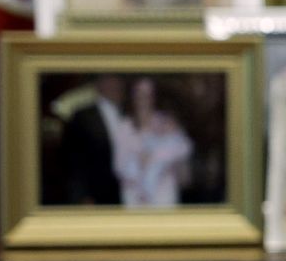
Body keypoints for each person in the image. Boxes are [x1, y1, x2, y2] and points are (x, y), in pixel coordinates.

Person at [115, 76, 194, 207]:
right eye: (139, 93)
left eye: (148, 94)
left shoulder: (167, 122)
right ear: (132, 96)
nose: (143, 98)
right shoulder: (124, 127)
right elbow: (119, 167)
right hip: (134, 199)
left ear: (155, 97)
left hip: (165, 197)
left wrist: (172, 163)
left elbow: (183, 156)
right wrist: (140, 161)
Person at [55, 74, 128, 206]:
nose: (116, 85)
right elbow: (72, 160)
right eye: (110, 80)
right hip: (95, 196)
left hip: (128, 194)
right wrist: (81, 195)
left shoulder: (129, 113)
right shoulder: (82, 116)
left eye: (118, 81)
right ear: (99, 84)